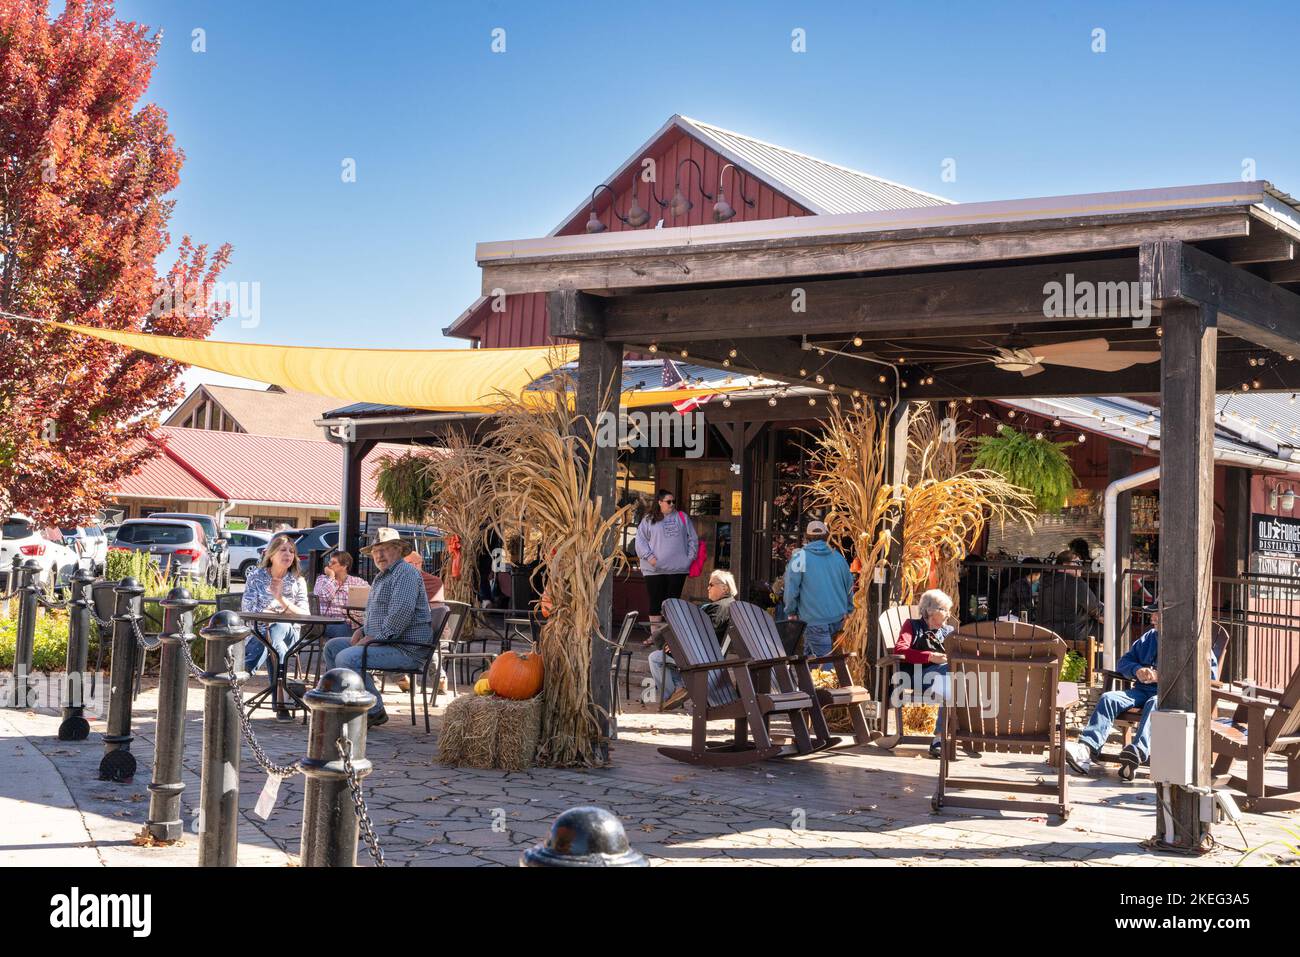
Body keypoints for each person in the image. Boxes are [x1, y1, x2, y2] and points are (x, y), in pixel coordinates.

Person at [1064, 607, 1218, 780]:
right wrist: (1137, 670)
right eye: (1153, 614)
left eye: (1157, 613)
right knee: (1109, 698)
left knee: (1154, 702)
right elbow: (1123, 663)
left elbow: (1209, 676)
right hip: (1140, 691)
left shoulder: (1192, 641)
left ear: (1171, 616)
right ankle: (1086, 750)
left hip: (1171, 694)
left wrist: (1163, 677)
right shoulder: (1149, 637)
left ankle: (1137, 752)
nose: (1152, 618)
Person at [320, 527, 434, 728]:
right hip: (389, 642)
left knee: (347, 657)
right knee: (333, 647)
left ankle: (373, 710)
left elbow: (401, 612)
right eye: (375, 550)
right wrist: (362, 630)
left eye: (386, 549)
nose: (379, 555)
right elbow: (379, 614)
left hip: (407, 648)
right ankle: (349, 705)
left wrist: (375, 638)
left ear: (399, 550)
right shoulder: (382, 576)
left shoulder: (405, 572)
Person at [240, 533, 310, 714]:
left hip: (289, 633)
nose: (288, 554)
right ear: (271, 555)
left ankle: (243, 673)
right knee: (271, 641)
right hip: (258, 632)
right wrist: (274, 613)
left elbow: (304, 614)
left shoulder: (297, 581)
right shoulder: (256, 576)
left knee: (277, 628)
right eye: (283, 550)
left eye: (291, 551)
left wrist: (281, 600)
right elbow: (248, 611)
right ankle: (281, 699)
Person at [653, 569, 737, 711]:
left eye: (711, 585)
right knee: (662, 653)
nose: (707, 588)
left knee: (655, 658)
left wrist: (677, 646)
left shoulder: (718, 608)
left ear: (725, 587)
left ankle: (673, 694)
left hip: (700, 657)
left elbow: (703, 635)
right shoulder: (730, 604)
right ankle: (679, 689)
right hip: (707, 654)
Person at [894, 588, 958, 757]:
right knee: (953, 679)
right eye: (945, 610)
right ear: (931, 610)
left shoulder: (949, 631)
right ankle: (942, 737)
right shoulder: (912, 626)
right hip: (915, 676)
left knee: (956, 680)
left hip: (944, 678)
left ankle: (940, 737)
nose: (948, 614)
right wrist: (929, 657)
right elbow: (900, 650)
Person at [783, 520, 853, 670]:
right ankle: (808, 688)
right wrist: (849, 609)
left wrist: (791, 611)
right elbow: (849, 586)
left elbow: (791, 588)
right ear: (826, 536)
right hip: (837, 619)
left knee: (824, 665)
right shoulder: (838, 558)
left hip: (814, 619)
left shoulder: (799, 557)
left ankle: (828, 691)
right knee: (810, 658)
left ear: (806, 537)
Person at [636, 490, 699, 639]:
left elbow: (693, 539)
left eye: (673, 501)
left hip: (677, 569)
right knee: (655, 603)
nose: (672, 504)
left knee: (672, 604)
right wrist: (649, 557)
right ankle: (656, 636)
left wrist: (689, 558)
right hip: (654, 570)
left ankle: (671, 637)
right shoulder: (649, 519)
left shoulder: (682, 517)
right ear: (659, 502)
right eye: (668, 501)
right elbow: (640, 541)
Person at [1037, 551, 1102, 645]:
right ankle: (1108, 659)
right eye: (1078, 563)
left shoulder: (1046, 583)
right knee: (1110, 627)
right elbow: (1097, 610)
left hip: (1048, 631)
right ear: (1065, 564)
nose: (1081, 566)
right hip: (1073, 632)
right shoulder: (1076, 583)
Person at [313, 550, 366, 639]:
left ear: (345, 566)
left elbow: (371, 596)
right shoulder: (322, 579)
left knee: (367, 630)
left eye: (333, 563)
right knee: (344, 630)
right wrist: (331, 577)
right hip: (328, 623)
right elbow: (325, 597)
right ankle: (348, 651)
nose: (329, 565)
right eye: (329, 561)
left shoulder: (357, 582)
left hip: (353, 622)